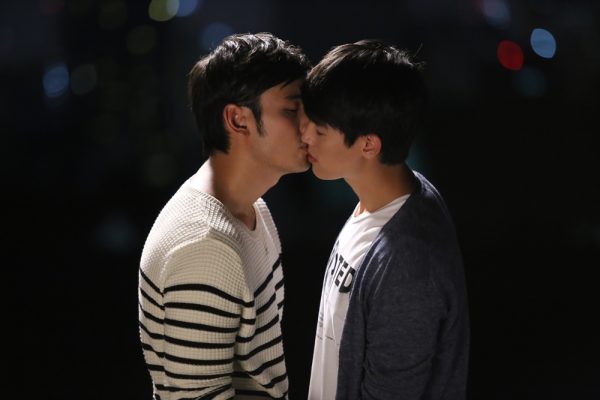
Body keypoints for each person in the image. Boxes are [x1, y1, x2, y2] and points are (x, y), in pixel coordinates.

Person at [138, 33, 311, 400]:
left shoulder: (252, 208)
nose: (309, 125)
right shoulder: (205, 244)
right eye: (292, 110)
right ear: (237, 119)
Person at [300, 40, 470, 400]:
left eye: (320, 130)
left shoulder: (407, 260)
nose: (305, 135)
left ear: (368, 145)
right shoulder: (385, 197)